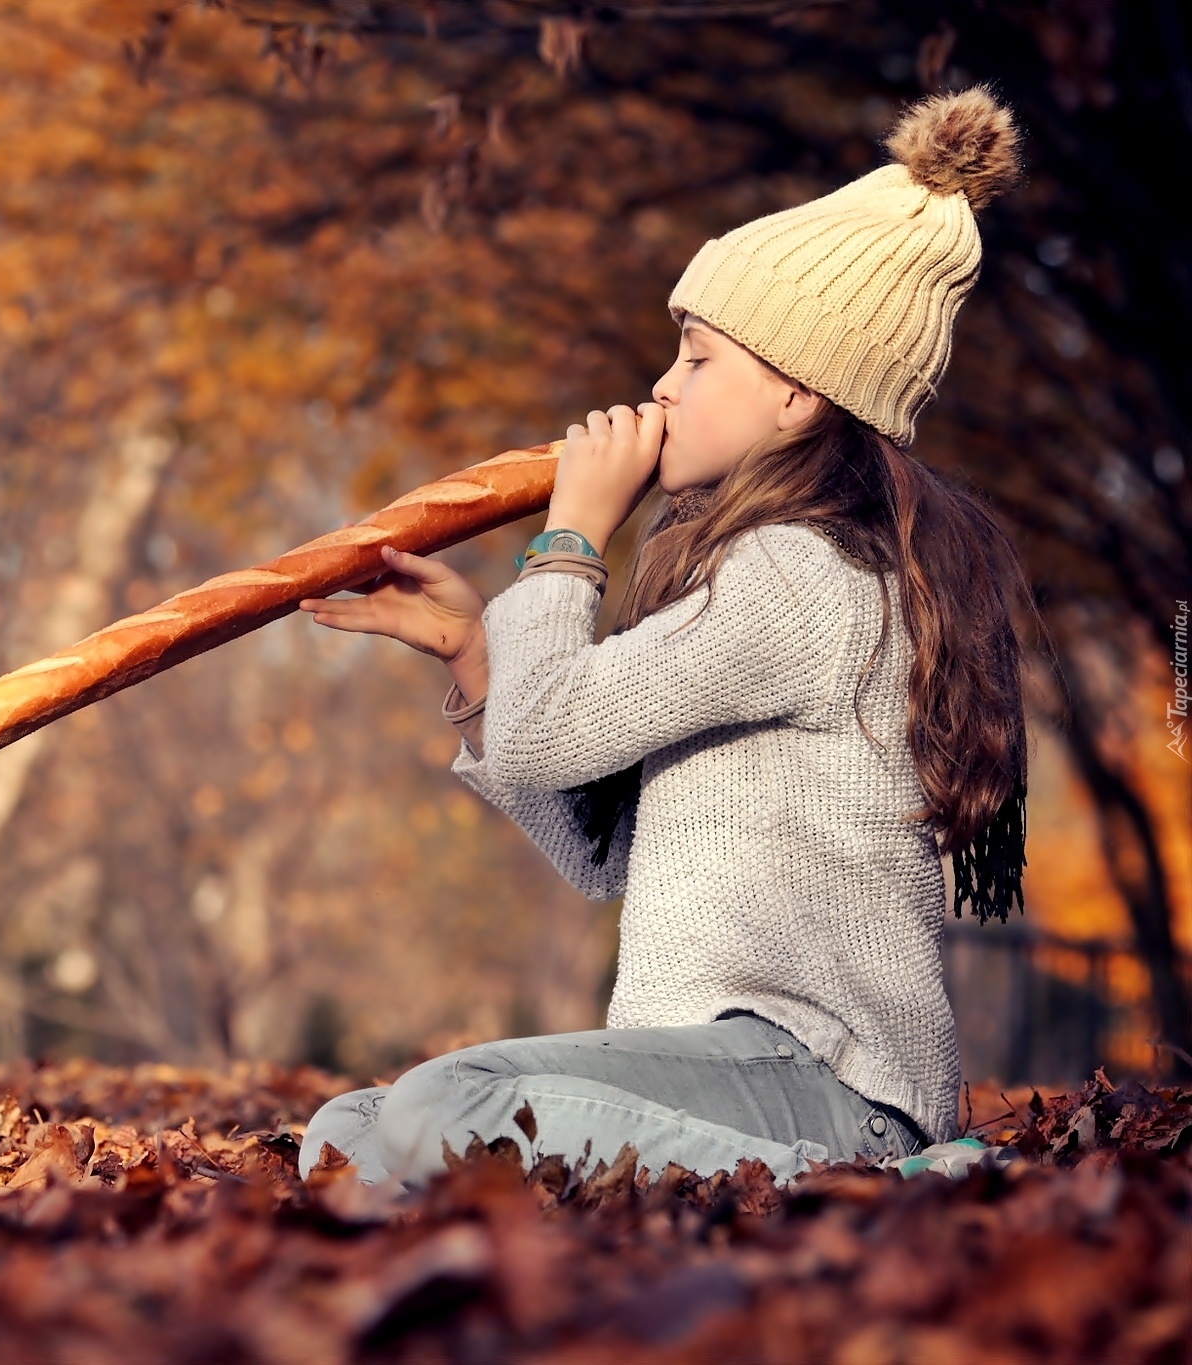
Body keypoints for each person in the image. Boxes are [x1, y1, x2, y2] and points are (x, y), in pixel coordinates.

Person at [296, 87, 1032, 1187]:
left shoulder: (801, 576)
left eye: (694, 358)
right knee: (353, 1130)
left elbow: (547, 740)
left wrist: (570, 541)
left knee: (441, 1106)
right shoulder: (759, 571)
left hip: (817, 1077)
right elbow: (606, 854)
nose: (659, 385)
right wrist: (473, 663)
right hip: (709, 1065)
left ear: (794, 396)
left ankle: (882, 1191)